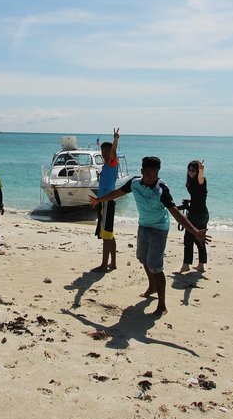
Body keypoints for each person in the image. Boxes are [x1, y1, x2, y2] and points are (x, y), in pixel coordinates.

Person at [89, 156, 210, 317]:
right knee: (142, 258)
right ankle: (152, 286)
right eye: (148, 174)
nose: (151, 178)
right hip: (144, 225)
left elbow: (175, 213)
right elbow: (117, 193)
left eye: (155, 174)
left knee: (155, 266)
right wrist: (99, 200)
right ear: (142, 172)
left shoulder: (161, 190)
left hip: (159, 229)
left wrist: (195, 232)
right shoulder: (134, 183)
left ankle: (162, 304)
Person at [93, 128, 120, 272]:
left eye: (107, 152)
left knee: (106, 235)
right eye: (103, 152)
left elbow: (114, 152)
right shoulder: (105, 165)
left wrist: (115, 140)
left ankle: (104, 265)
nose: (105, 154)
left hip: (107, 202)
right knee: (109, 233)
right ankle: (113, 263)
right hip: (104, 202)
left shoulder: (112, 163)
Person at [178, 160, 209, 273]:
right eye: (189, 170)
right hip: (202, 214)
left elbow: (201, 177)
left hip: (196, 215)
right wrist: (189, 201)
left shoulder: (201, 181)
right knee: (199, 239)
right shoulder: (192, 182)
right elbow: (199, 197)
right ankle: (201, 265)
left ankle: (186, 265)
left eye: (193, 170)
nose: (191, 172)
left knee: (188, 240)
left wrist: (201, 169)